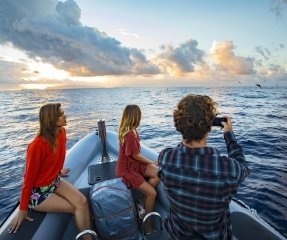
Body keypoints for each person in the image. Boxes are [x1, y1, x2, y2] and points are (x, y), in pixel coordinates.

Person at [158, 94, 250, 240]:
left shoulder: (165, 158)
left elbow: (179, 153)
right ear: (209, 127)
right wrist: (229, 135)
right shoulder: (227, 170)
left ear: (178, 125)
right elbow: (243, 168)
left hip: (177, 235)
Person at [8, 103, 92, 240]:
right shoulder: (36, 146)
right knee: (74, 207)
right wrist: (22, 210)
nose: (65, 115)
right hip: (37, 193)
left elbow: (56, 156)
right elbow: (28, 179)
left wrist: (57, 171)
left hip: (54, 181)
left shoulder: (62, 133)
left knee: (82, 202)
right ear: (51, 119)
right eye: (60, 114)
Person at [116, 104, 160, 232]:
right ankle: (147, 224)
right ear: (136, 117)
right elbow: (135, 155)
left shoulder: (133, 131)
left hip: (134, 165)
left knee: (159, 173)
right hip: (127, 170)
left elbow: (135, 156)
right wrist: (152, 162)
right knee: (152, 194)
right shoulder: (129, 135)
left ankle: (141, 200)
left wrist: (152, 164)